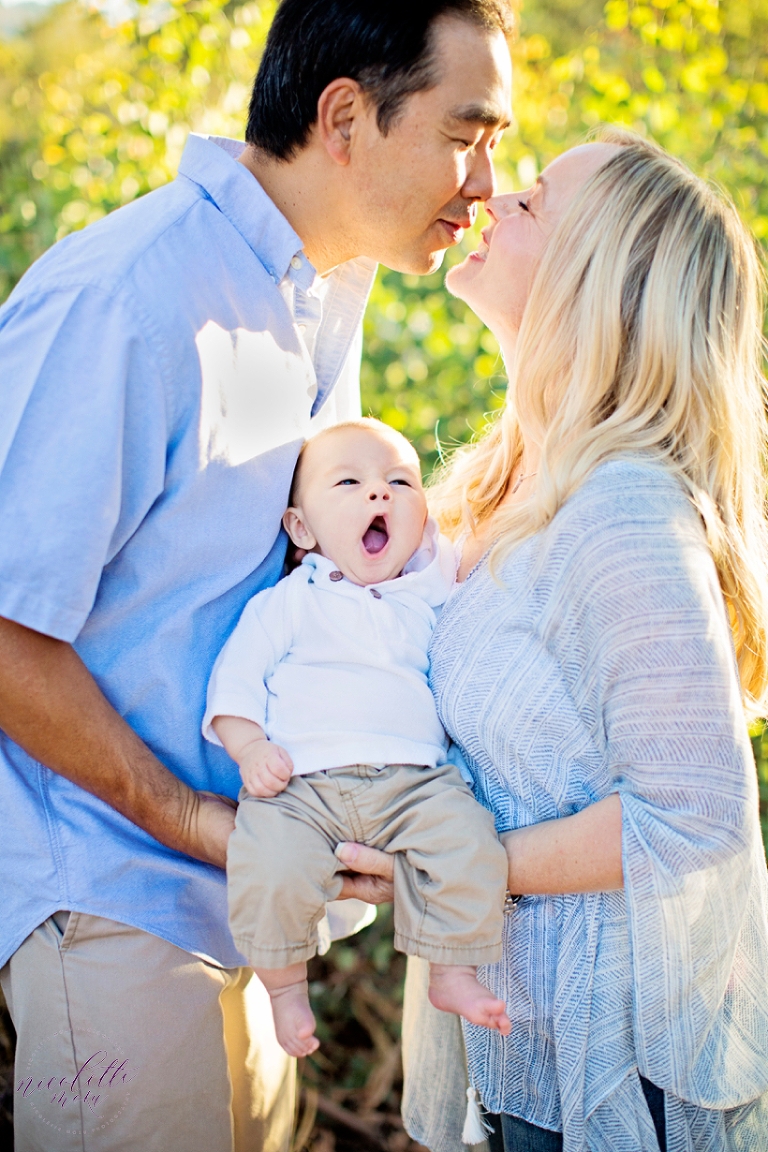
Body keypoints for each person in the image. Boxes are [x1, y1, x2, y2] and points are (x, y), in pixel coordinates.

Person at [0, 2, 513, 1149]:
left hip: (251, 918)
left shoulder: (322, 297)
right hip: (116, 913)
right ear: (344, 117)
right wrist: (193, 817)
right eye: (466, 133)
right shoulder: (130, 299)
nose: (484, 182)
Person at [337, 131, 768, 1151]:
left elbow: (695, 813)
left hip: (616, 1074)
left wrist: (454, 869)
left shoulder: (623, 513)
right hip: (523, 1054)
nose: (491, 201)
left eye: (531, 203)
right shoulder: (514, 483)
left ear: (595, 284)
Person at [203, 418, 511, 1058]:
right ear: (302, 529)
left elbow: (479, 551)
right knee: (267, 865)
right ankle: (286, 988)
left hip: (414, 784)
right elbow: (233, 687)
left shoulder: (428, 595)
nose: (380, 495)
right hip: (301, 785)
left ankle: (452, 970)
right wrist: (251, 749)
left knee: (470, 842)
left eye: (400, 482)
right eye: (350, 482)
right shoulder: (288, 603)